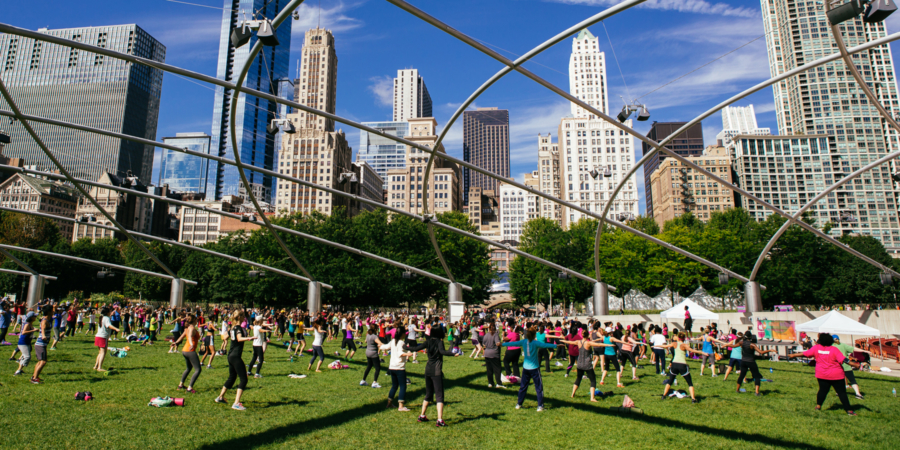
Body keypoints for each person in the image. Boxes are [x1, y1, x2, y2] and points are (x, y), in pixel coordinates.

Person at [788, 333, 858, 416]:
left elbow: (805, 353)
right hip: (836, 375)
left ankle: (818, 406)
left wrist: (793, 355)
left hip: (822, 375)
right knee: (841, 393)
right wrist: (854, 364)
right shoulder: (834, 349)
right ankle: (849, 410)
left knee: (822, 391)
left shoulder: (816, 348)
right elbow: (844, 359)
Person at [407, 326, 458, 427]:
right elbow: (442, 352)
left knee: (428, 393)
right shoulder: (439, 342)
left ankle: (422, 415)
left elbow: (416, 348)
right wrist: (453, 354)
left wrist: (405, 347)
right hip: (436, 371)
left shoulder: (428, 341)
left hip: (427, 369)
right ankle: (439, 420)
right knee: (439, 395)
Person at [503, 325, 559, 411]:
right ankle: (540, 406)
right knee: (539, 387)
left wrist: (502, 344)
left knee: (523, 387)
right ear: (534, 335)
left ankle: (519, 404)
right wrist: (556, 346)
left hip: (526, 368)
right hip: (534, 368)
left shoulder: (524, 342)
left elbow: (512, 343)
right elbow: (545, 345)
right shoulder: (535, 343)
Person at [559, 329, 614, 402]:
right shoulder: (588, 343)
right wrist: (609, 344)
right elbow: (598, 344)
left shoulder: (578, 342)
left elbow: (570, 342)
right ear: (588, 336)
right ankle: (592, 398)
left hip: (579, 364)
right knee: (593, 380)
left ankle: (572, 394)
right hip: (587, 365)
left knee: (578, 379)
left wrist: (562, 341)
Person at [215, 310, 254, 411]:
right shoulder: (238, 328)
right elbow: (239, 338)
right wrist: (249, 338)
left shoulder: (233, 328)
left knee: (232, 377)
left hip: (230, 355)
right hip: (236, 356)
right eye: (243, 316)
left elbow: (225, 337)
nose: (245, 318)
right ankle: (236, 403)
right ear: (240, 317)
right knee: (243, 379)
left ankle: (220, 397)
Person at [660, 332, 708, 403]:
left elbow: (665, 346)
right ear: (684, 338)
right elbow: (693, 350)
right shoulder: (684, 345)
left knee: (670, 381)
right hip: (682, 365)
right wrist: (703, 353)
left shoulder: (674, 343)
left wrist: (655, 346)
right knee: (690, 383)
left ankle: (663, 396)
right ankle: (693, 399)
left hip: (674, 364)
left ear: (678, 338)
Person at [725, 331, 775, 397]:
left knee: (742, 375)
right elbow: (761, 352)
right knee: (757, 376)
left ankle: (737, 390)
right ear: (751, 337)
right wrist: (770, 350)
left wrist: (726, 345)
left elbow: (733, 346)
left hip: (743, 361)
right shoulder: (752, 344)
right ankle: (757, 392)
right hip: (751, 362)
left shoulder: (741, 343)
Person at [381, 325, 415, 411]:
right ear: (403, 334)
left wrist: (379, 345)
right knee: (403, 386)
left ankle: (389, 403)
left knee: (394, 386)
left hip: (392, 368)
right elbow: (400, 353)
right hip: (399, 368)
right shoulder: (401, 342)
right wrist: (408, 354)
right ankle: (401, 406)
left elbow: (385, 347)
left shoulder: (393, 341)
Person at [832, 335, 871, 400]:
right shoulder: (843, 345)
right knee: (852, 380)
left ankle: (839, 392)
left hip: (836, 366)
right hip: (846, 365)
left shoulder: (830, 347)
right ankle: (858, 394)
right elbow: (854, 349)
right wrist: (864, 351)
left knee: (837, 380)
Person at [174, 314, 201, 393]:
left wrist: (176, 343)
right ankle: (190, 388)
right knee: (198, 369)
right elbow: (189, 336)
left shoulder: (187, 328)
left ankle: (181, 384)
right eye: (196, 320)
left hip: (184, 350)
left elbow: (182, 336)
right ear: (194, 320)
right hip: (190, 351)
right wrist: (191, 344)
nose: (197, 321)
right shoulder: (192, 328)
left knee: (189, 368)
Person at [93, 307, 119, 372]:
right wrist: (116, 329)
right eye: (110, 311)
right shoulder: (106, 318)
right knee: (103, 353)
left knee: (100, 353)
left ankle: (96, 366)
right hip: (103, 337)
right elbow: (108, 325)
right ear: (107, 312)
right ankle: (99, 367)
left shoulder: (101, 317)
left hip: (98, 336)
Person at [31, 305, 52, 384]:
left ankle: (34, 376)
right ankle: (34, 379)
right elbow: (43, 328)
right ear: (49, 311)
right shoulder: (44, 321)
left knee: (40, 361)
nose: (53, 311)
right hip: (40, 344)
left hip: (42, 344)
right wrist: (43, 335)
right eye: (52, 310)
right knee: (43, 362)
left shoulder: (47, 319)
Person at [13, 312, 36, 376]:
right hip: (23, 343)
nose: (35, 317)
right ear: (31, 317)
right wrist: (33, 330)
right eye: (35, 316)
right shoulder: (27, 324)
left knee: (24, 356)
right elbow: (23, 332)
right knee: (27, 357)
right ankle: (18, 370)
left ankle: (19, 370)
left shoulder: (30, 324)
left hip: (27, 342)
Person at [482, 321, 503, 388]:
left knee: (489, 369)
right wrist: (501, 344)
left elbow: (484, 344)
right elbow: (497, 343)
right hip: (494, 354)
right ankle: (498, 383)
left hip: (487, 354)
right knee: (497, 369)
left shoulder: (486, 335)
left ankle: (490, 383)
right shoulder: (495, 335)